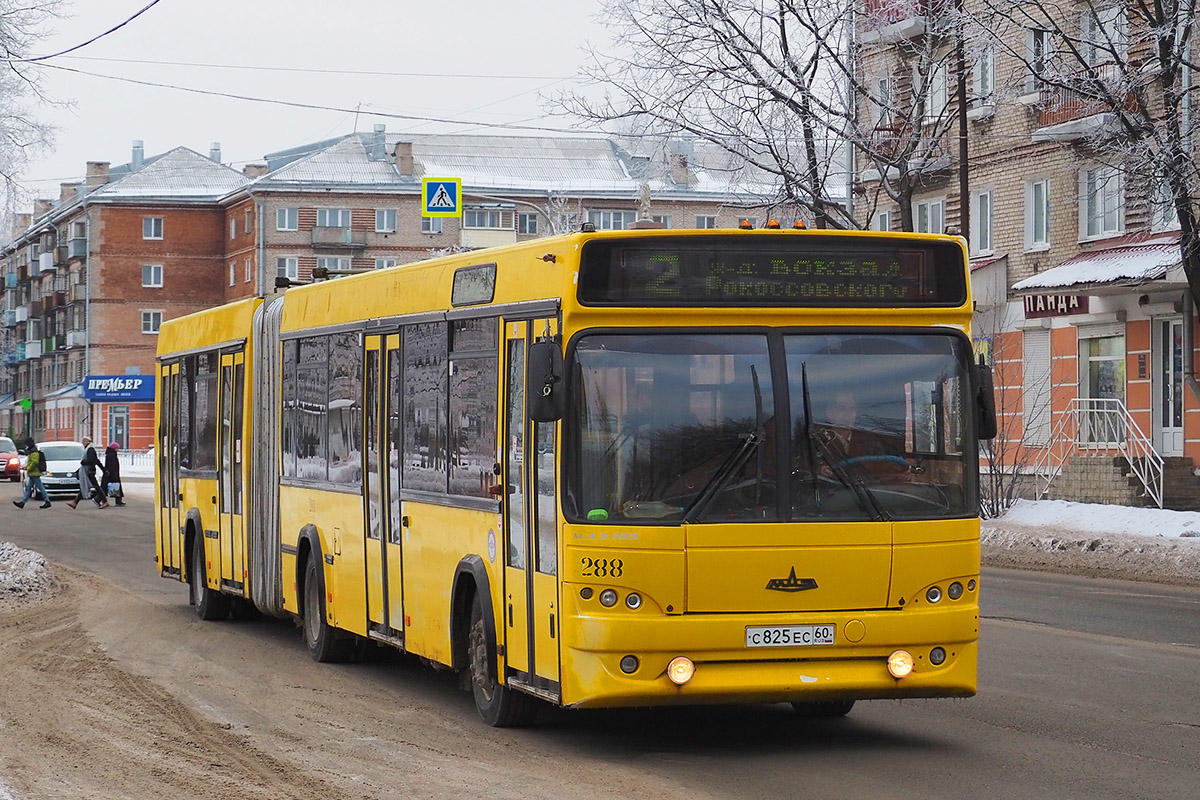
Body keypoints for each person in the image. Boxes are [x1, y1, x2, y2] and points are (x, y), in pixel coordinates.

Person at [67, 436, 108, 509]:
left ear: (86, 442)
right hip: (89, 470)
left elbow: (92, 460)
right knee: (85, 486)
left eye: (83, 442)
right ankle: (75, 502)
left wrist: (83, 462)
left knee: (95, 487)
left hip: (89, 471)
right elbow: (96, 460)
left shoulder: (90, 449)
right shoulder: (89, 449)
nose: (83, 444)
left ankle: (105, 501)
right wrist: (103, 469)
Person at [12, 438, 52, 509]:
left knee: (39, 487)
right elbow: (32, 462)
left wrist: (28, 468)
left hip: (34, 473)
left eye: (26, 444)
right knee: (29, 488)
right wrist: (27, 467)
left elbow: (34, 462)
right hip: (33, 473)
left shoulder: (34, 452)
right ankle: (23, 502)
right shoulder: (32, 451)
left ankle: (47, 501)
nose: (26, 446)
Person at [100, 441, 125, 506]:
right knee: (115, 487)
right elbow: (112, 465)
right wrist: (114, 474)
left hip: (110, 474)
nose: (118, 450)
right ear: (114, 448)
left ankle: (100, 499)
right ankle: (118, 501)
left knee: (109, 487)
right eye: (117, 448)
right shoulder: (112, 455)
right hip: (113, 474)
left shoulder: (110, 454)